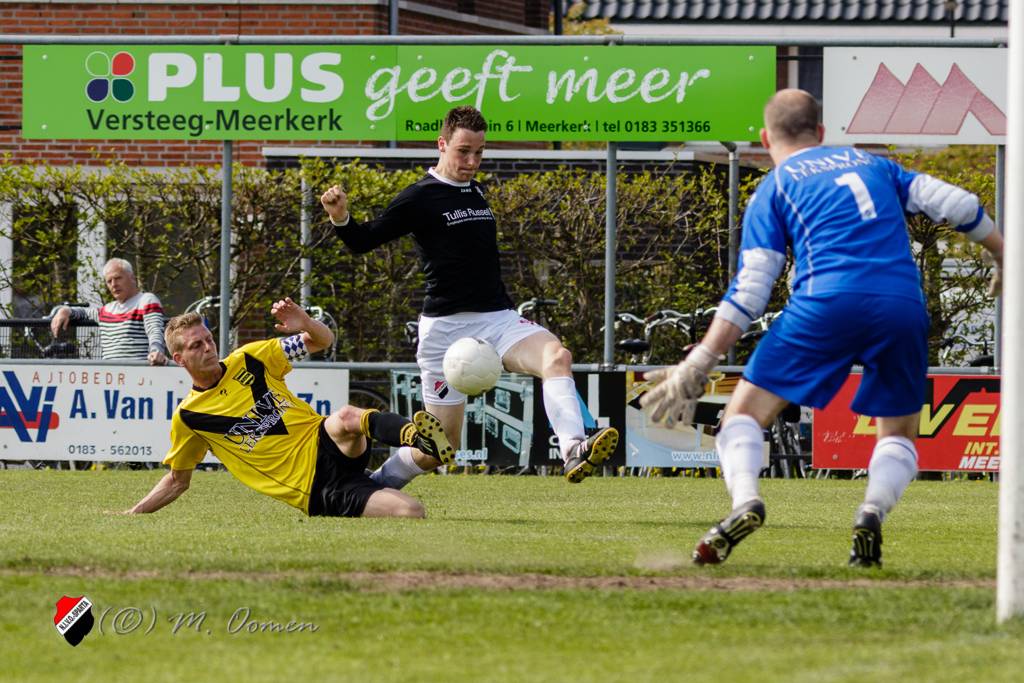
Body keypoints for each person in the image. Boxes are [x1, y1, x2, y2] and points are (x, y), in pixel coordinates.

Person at [641, 89, 1004, 568]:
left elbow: (751, 289)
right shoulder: (874, 165)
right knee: (898, 433)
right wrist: (1003, 253)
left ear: (765, 138)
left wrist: (701, 361)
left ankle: (746, 501)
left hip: (825, 303)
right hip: (901, 306)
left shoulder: (776, 186)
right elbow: (956, 203)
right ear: (822, 132)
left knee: (742, 415)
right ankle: (871, 512)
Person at [320, 105, 618, 488]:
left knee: (556, 357)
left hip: (498, 321)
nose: (473, 161)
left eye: (479, 152)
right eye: (464, 151)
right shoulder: (418, 197)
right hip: (444, 333)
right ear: (442, 144)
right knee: (440, 449)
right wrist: (340, 216)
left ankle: (574, 448)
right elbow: (363, 241)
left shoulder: (477, 190)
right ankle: (372, 487)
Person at [124, 297, 455, 518]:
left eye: (208, 339)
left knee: (346, 416)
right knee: (412, 512)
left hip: (326, 440)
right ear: (179, 358)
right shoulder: (190, 417)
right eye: (196, 345)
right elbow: (177, 481)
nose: (208, 347)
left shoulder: (250, 357)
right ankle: (379, 481)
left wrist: (306, 322)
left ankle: (419, 437)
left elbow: (322, 341)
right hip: (315, 486)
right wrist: (134, 513)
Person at [50, 257, 168, 365]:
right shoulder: (107, 310)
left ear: (132, 278)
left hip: (138, 373)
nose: (114, 284)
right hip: (110, 376)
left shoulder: (146, 300)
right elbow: (83, 312)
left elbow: (154, 330)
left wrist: (156, 351)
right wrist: (64, 311)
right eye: (109, 281)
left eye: (118, 278)